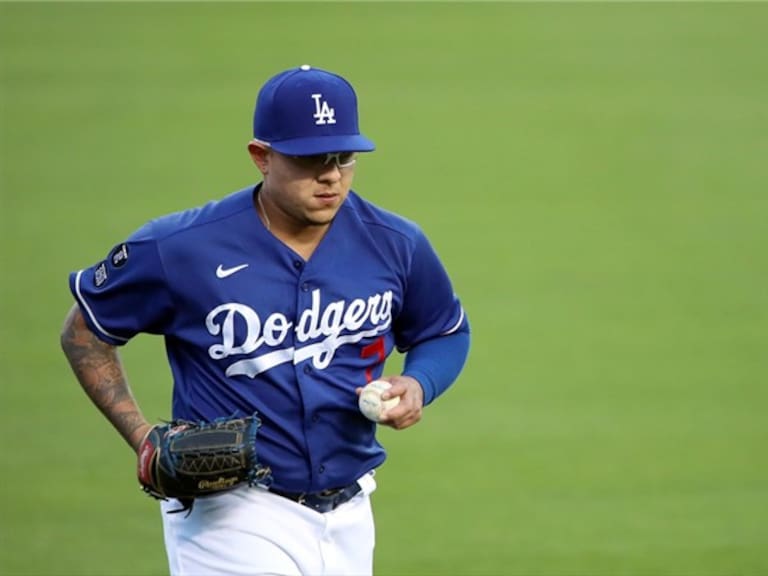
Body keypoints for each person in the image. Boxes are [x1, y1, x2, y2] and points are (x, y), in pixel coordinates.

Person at [60, 64, 470, 576]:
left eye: (344, 157)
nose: (331, 175)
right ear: (261, 156)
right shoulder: (181, 248)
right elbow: (85, 330)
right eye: (310, 159)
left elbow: (443, 331)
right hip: (231, 516)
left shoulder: (396, 243)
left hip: (351, 511)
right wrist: (142, 437)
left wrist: (418, 381)